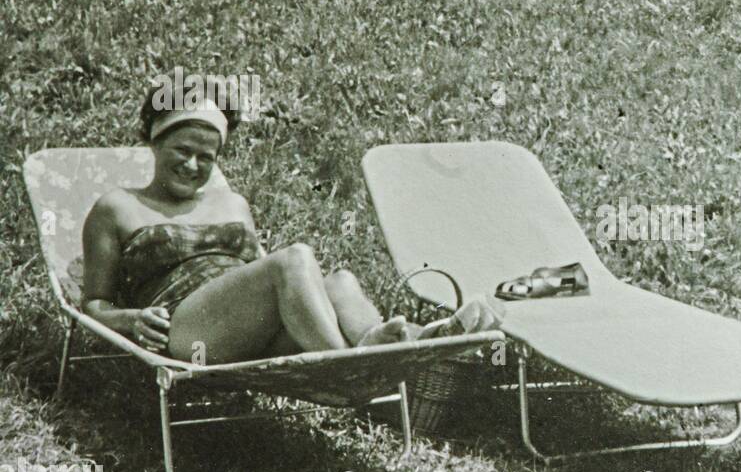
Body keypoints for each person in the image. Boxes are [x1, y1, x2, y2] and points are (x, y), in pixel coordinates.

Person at [81, 74, 502, 365]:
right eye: (182, 150)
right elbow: (92, 305)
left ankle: (419, 342)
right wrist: (131, 319)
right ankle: (350, 365)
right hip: (188, 331)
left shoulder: (233, 204)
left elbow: (270, 286)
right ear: (155, 144)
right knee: (294, 259)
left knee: (340, 283)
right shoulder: (117, 207)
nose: (192, 165)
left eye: (206, 157)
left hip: (248, 332)